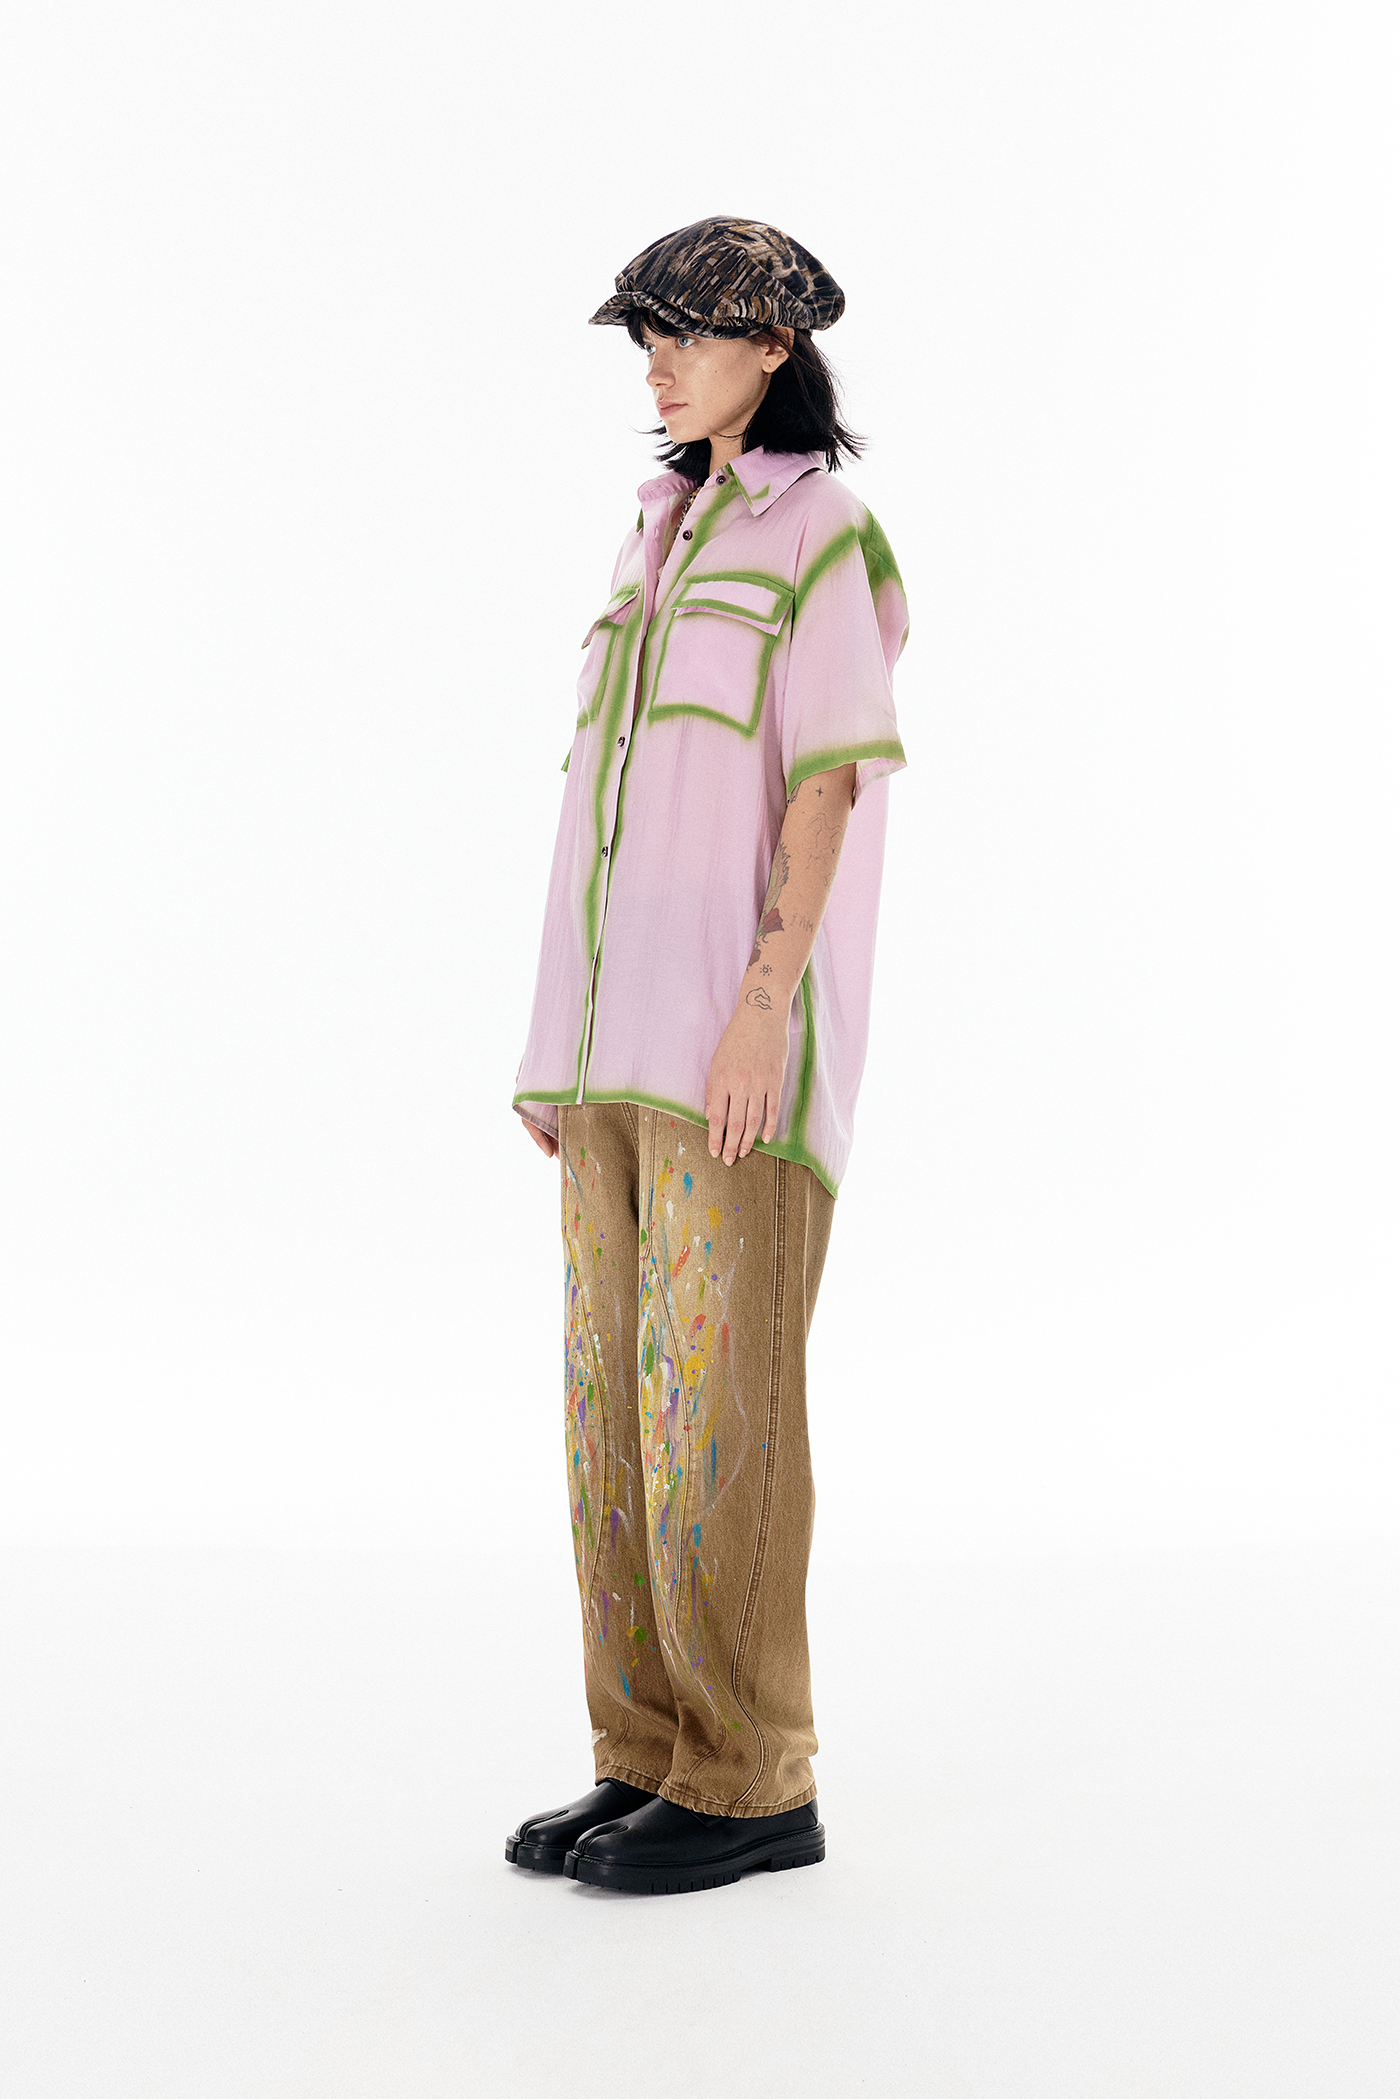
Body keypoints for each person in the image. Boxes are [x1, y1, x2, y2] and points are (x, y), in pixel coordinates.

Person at [505, 217, 908, 1895]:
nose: (660, 364)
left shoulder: (823, 532)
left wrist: (760, 1008)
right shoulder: (655, 530)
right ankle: (648, 1752)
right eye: (648, 337)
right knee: (613, 1408)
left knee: (719, 1407)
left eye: (689, 334)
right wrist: (555, 1044)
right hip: (609, 1049)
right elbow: (602, 803)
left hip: (731, 1054)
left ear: (774, 349)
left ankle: (754, 1780)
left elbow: (828, 784)